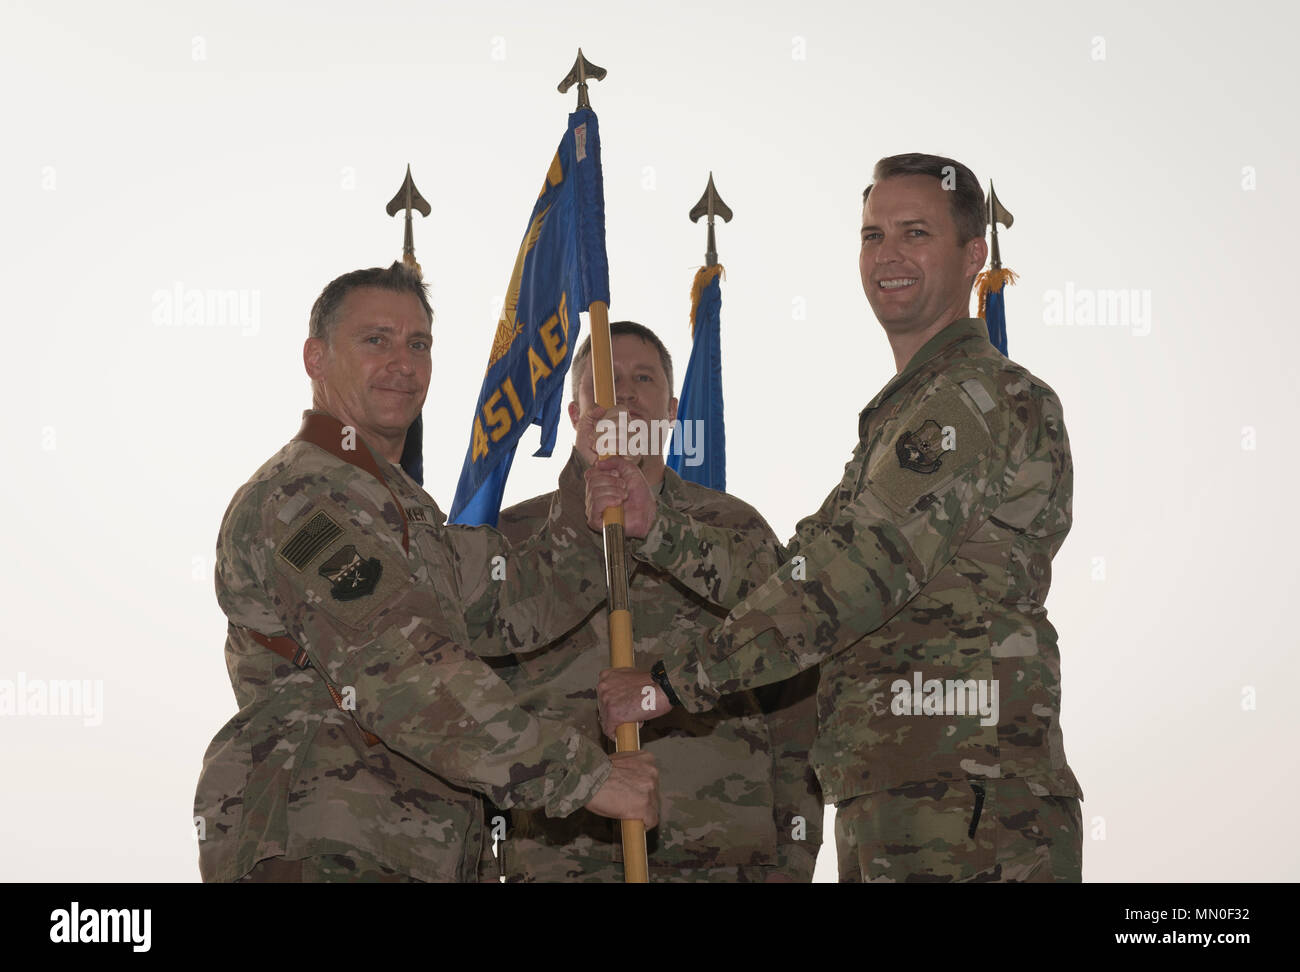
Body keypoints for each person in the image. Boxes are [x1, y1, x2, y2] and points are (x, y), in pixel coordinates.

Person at [593, 154, 1084, 883]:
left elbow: (852, 577)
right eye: (872, 235)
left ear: (972, 255)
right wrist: (658, 527)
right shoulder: (905, 416)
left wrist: (673, 681)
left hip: (969, 802)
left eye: (914, 233)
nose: (887, 255)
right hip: (898, 792)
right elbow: (793, 572)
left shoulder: (973, 399)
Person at [194, 263, 657, 883]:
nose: (402, 363)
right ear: (316, 358)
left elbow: (519, 603)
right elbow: (404, 671)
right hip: (325, 844)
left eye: (419, 345)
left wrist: (587, 487)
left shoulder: (402, 511)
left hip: (415, 851)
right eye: (375, 340)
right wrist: (589, 778)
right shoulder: (303, 496)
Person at [480, 322, 822, 882]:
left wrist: (791, 858)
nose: (627, 394)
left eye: (644, 378)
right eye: (607, 381)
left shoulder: (736, 529)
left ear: (672, 409)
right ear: (574, 413)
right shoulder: (512, 536)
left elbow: (792, 702)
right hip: (558, 859)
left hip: (722, 858)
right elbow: (477, 710)